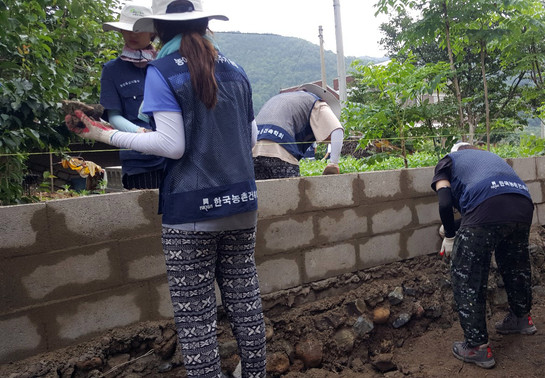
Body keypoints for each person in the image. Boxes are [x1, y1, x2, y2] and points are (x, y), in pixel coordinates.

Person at [65, 0, 266, 376]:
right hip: (242, 204)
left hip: (191, 212)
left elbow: (172, 146)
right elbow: (252, 136)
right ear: (207, 24)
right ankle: (255, 373)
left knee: (196, 319)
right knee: (245, 297)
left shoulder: (162, 70)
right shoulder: (237, 70)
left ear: (158, 29)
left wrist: (104, 134)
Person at [431, 142, 537, 369]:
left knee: (467, 275)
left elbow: (445, 201)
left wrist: (449, 236)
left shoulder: (448, 160)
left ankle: (477, 346)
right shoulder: (490, 159)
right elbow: (491, 207)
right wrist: (452, 227)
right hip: (522, 204)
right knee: (515, 264)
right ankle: (522, 318)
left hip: (487, 208)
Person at [100, 2, 166, 189]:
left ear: (152, 33)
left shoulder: (166, 64)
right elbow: (113, 116)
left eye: (139, 29)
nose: (132, 34)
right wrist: (141, 135)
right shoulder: (112, 71)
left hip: (177, 158)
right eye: (127, 30)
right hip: (140, 161)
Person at [252, 83, 344, 179]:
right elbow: (337, 130)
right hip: (281, 153)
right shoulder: (316, 101)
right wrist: (333, 163)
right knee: (291, 193)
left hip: (253, 154)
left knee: (264, 193)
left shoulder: (277, 98)